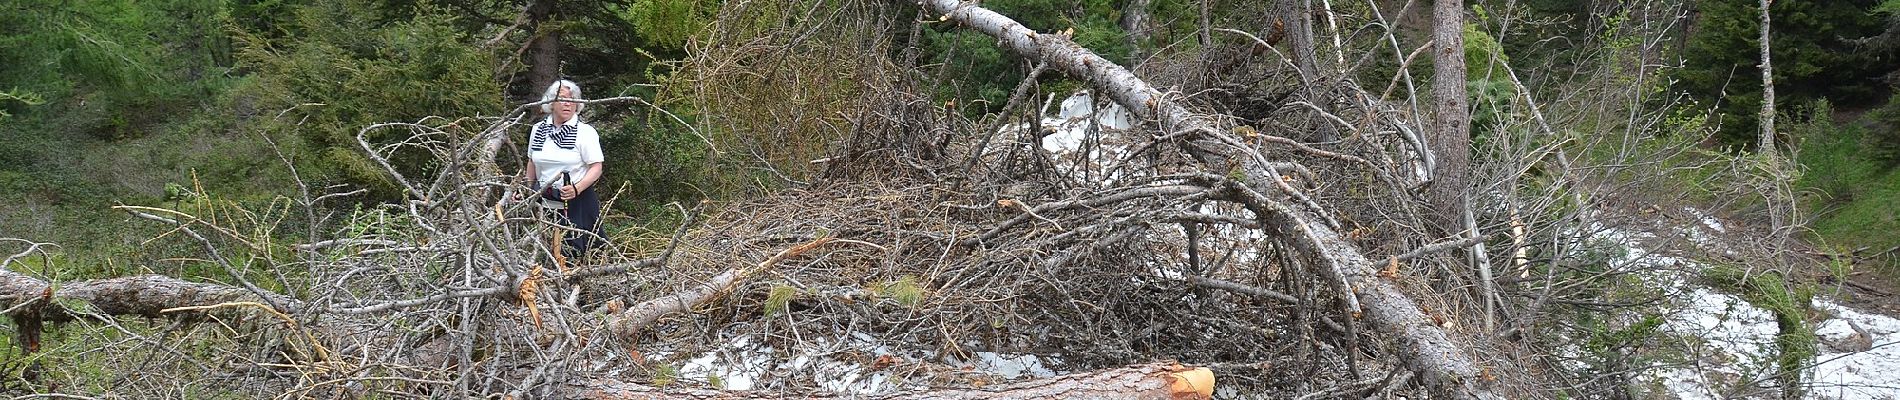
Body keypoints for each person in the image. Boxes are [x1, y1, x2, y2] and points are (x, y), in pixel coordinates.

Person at [520, 79, 604, 258]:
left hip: (577, 201)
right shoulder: (538, 130)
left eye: (572, 99)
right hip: (545, 200)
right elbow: (532, 162)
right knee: (545, 251)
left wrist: (576, 188)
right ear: (551, 102)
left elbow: (596, 167)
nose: (568, 104)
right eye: (562, 99)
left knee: (577, 253)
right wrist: (526, 189)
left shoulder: (585, 132)